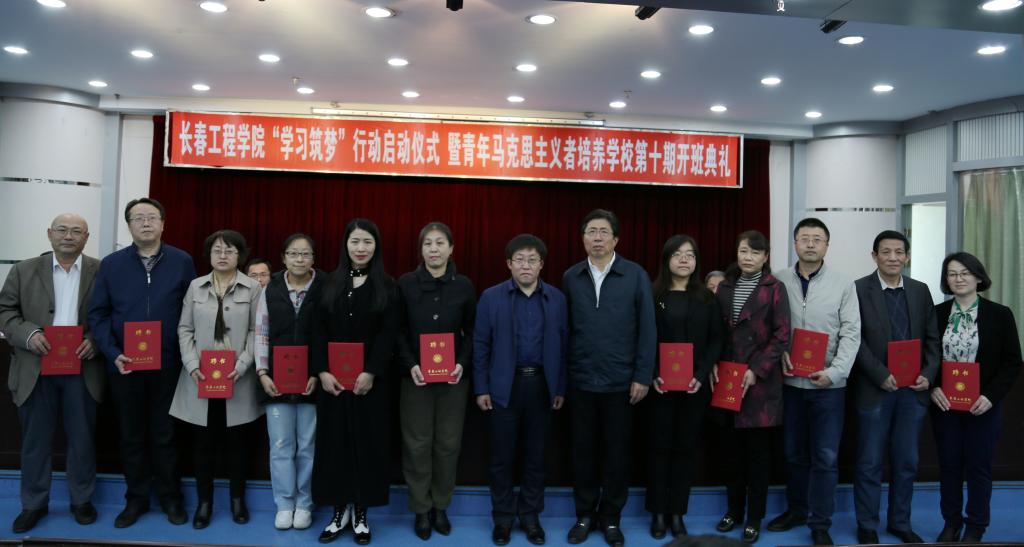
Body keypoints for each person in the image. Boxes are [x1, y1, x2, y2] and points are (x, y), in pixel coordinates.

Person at [88, 197, 196, 528]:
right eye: (138, 218)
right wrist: (112, 352)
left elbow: (192, 311)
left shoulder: (181, 261)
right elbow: (98, 314)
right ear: (129, 225)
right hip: (125, 365)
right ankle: (135, 499)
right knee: (131, 436)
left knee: (166, 435)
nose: (145, 223)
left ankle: (171, 498)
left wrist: (184, 355)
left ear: (163, 223)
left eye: (151, 217)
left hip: (169, 365)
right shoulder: (111, 265)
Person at [0, 214, 104, 534]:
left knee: (82, 439)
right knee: (35, 441)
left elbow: (114, 314)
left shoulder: (102, 271)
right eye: (62, 230)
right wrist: (29, 334)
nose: (68, 236)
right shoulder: (23, 270)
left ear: (86, 237)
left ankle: (81, 500)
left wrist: (95, 340)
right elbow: (5, 311)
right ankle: (33, 504)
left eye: (76, 231)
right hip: (36, 366)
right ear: (49, 234)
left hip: (83, 366)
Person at [562, 208, 656, 547]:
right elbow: (564, 330)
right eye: (591, 231)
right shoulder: (571, 277)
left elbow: (647, 328)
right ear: (583, 238)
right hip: (582, 381)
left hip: (621, 383)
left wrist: (643, 376)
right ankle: (584, 515)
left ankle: (612, 518)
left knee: (617, 454)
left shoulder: (635, 275)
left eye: (604, 232)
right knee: (583, 453)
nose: (597, 238)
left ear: (616, 239)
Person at [767, 217, 860, 546]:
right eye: (804, 238)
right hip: (790, 384)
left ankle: (820, 522)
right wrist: (779, 355)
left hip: (829, 388)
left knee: (825, 457)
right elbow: (770, 327)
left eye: (817, 239)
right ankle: (797, 510)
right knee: (793, 453)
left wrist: (835, 372)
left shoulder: (843, 284)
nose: (810, 244)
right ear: (794, 243)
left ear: (826, 246)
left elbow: (851, 333)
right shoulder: (778, 280)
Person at [474, 234, 568, 546]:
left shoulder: (557, 299)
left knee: (536, 457)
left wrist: (560, 387)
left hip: (542, 385)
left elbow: (565, 346)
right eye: (519, 260)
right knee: (501, 458)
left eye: (532, 260)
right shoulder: (491, 297)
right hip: (504, 386)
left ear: (541, 265)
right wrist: (481, 387)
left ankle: (530, 516)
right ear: (509, 264)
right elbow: (481, 346)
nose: (525, 265)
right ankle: (502, 518)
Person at [312, 219, 400, 545]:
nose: (361, 248)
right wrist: (322, 371)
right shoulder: (328, 283)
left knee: (367, 446)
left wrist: (372, 371)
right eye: (355, 242)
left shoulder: (387, 286)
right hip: (333, 385)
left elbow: (389, 333)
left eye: (367, 242)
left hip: (370, 385)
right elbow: (316, 330)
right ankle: (338, 512)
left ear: (376, 246)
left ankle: (361, 513)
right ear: (345, 245)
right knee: (335, 446)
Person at [850, 230, 939, 544]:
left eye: (899, 252)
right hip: (875, 389)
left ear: (907, 256)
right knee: (869, 461)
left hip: (913, 391)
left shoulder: (920, 290)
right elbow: (854, 339)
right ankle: (867, 524)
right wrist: (879, 373)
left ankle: (900, 522)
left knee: (907, 462)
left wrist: (929, 372)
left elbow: (933, 338)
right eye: (885, 252)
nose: (892, 257)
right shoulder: (858, 289)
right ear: (874, 256)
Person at [170, 229, 263, 528]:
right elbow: (184, 329)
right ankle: (204, 503)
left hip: (238, 378)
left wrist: (244, 364)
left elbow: (257, 331)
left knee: (238, 444)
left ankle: (237, 500)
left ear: (240, 255)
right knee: (203, 444)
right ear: (208, 255)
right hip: (200, 376)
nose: (223, 255)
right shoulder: (196, 286)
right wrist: (191, 364)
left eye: (230, 250)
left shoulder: (253, 288)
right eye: (217, 250)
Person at [929, 252, 1022, 543]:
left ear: (978, 277)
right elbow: (927, 357)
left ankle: (976, 526)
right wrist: (933, 387)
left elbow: (1012, 362)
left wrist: (991, 396)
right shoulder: (936, 313)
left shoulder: (1000, 314)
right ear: (946, 280)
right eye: (952, 274)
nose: (958, 279)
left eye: (965, 273)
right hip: (945, 405)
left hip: (983, 406)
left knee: (979, 467)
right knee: (949, 466)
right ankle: (951, 522)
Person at [397, 221, 477, 540]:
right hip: (415, 380)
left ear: (451, 248)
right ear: (421, 249)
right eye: (428, 243)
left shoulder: (464, 286)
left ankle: (441, 506)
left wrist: (461, 364)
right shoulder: (406, 284)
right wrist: (411, 365)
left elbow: (472, 332)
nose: (434, 249)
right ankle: (421, 509)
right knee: (417, 444)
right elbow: (398, 331)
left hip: (453, 381)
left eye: (440, 243)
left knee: (448, 444)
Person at [712, 230, 790, 544]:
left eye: (755, 253)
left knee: (758, 457)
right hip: (727, 378)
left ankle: (754, 517)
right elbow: (715, 331)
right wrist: (713, 362)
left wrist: (757, 370)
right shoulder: (724, 287)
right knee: (731, 454)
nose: (748, 257)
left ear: (765, 257)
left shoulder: (775, 288)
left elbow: (782, 335)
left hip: (760, 384)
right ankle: (733, 511)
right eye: (744, 251)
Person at [645, 235, 724, 540]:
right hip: (659, 387)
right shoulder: (653, 295)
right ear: (666, 259)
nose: (683, 260)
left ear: (696, 262)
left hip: (694, 388)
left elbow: (716, 339)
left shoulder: (707, 298)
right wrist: (652, 373)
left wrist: (701, 374)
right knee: (658, 448)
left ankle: (677, 513)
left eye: (689, 255)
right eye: (677, 254)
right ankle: (657, 512)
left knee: (685, 449)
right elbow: (643, 337)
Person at [254, 234, 322, 531]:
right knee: (281, 444)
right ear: (283, 258)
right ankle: (284, 504)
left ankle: (305, 503)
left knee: (307, 445)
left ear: (313, 258)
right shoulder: (270, 288)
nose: (299, 259)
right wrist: (262, 373)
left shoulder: (324, 286)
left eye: (305, 254)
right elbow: (261, 332)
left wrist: (318, 372)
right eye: (293, 254)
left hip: (311, 381)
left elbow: (328, 333)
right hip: (276, 381)